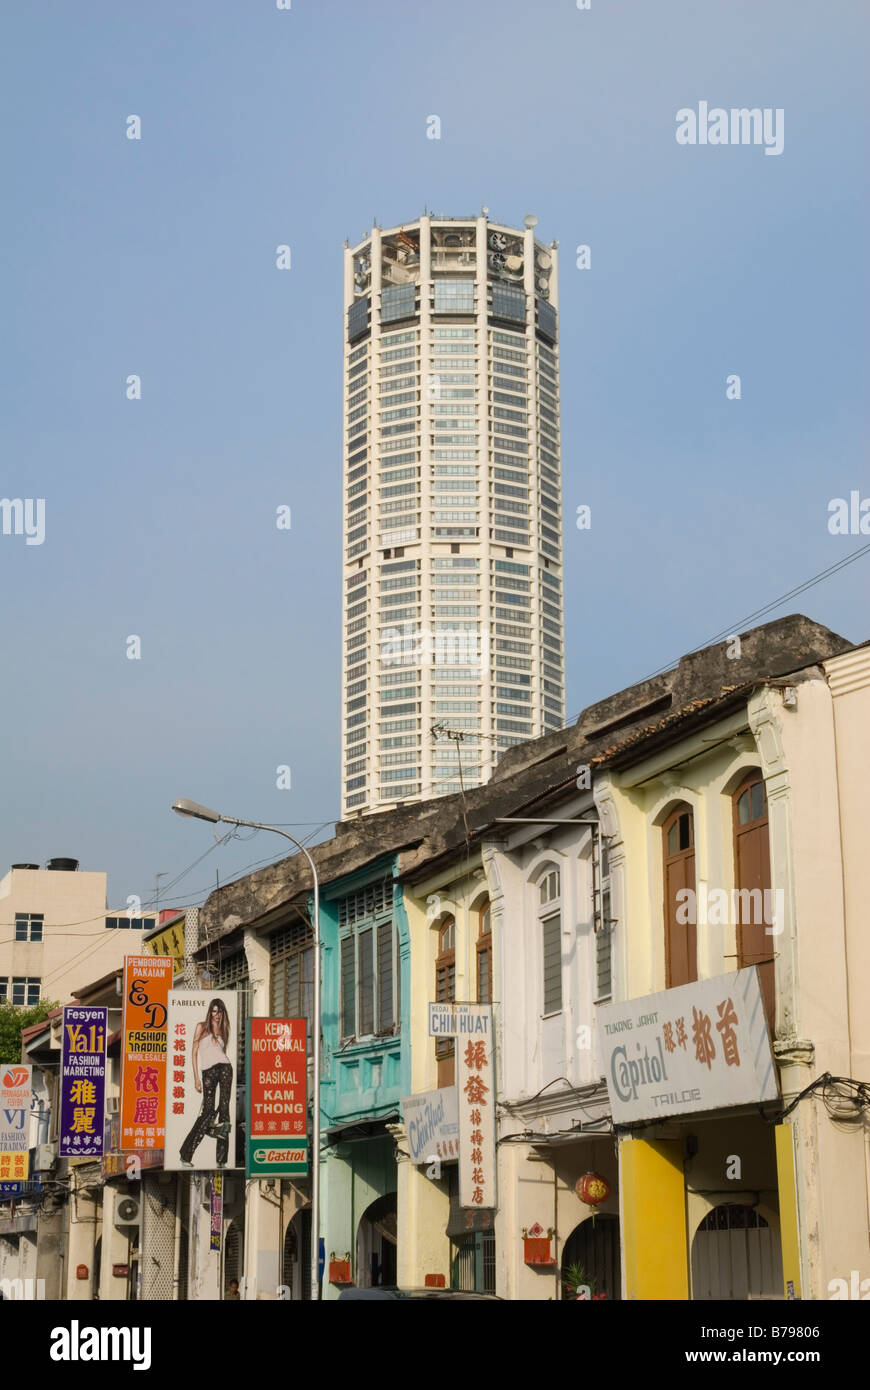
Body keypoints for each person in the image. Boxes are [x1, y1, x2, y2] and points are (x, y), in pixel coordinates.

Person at [179, 998, 233, 1167]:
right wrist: (196, 1078)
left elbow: (220, 1052)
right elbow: (194, 1053)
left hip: (225, 1068)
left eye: (220, 1011)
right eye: (214, 1011)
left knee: (224, 1112)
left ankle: (221, 1161)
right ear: (210, 1012)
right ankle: (186, 1154)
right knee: (208, 1112)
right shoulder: (201, 1027)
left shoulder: (224, 1029)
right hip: (208, 1071)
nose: (217, 1015)